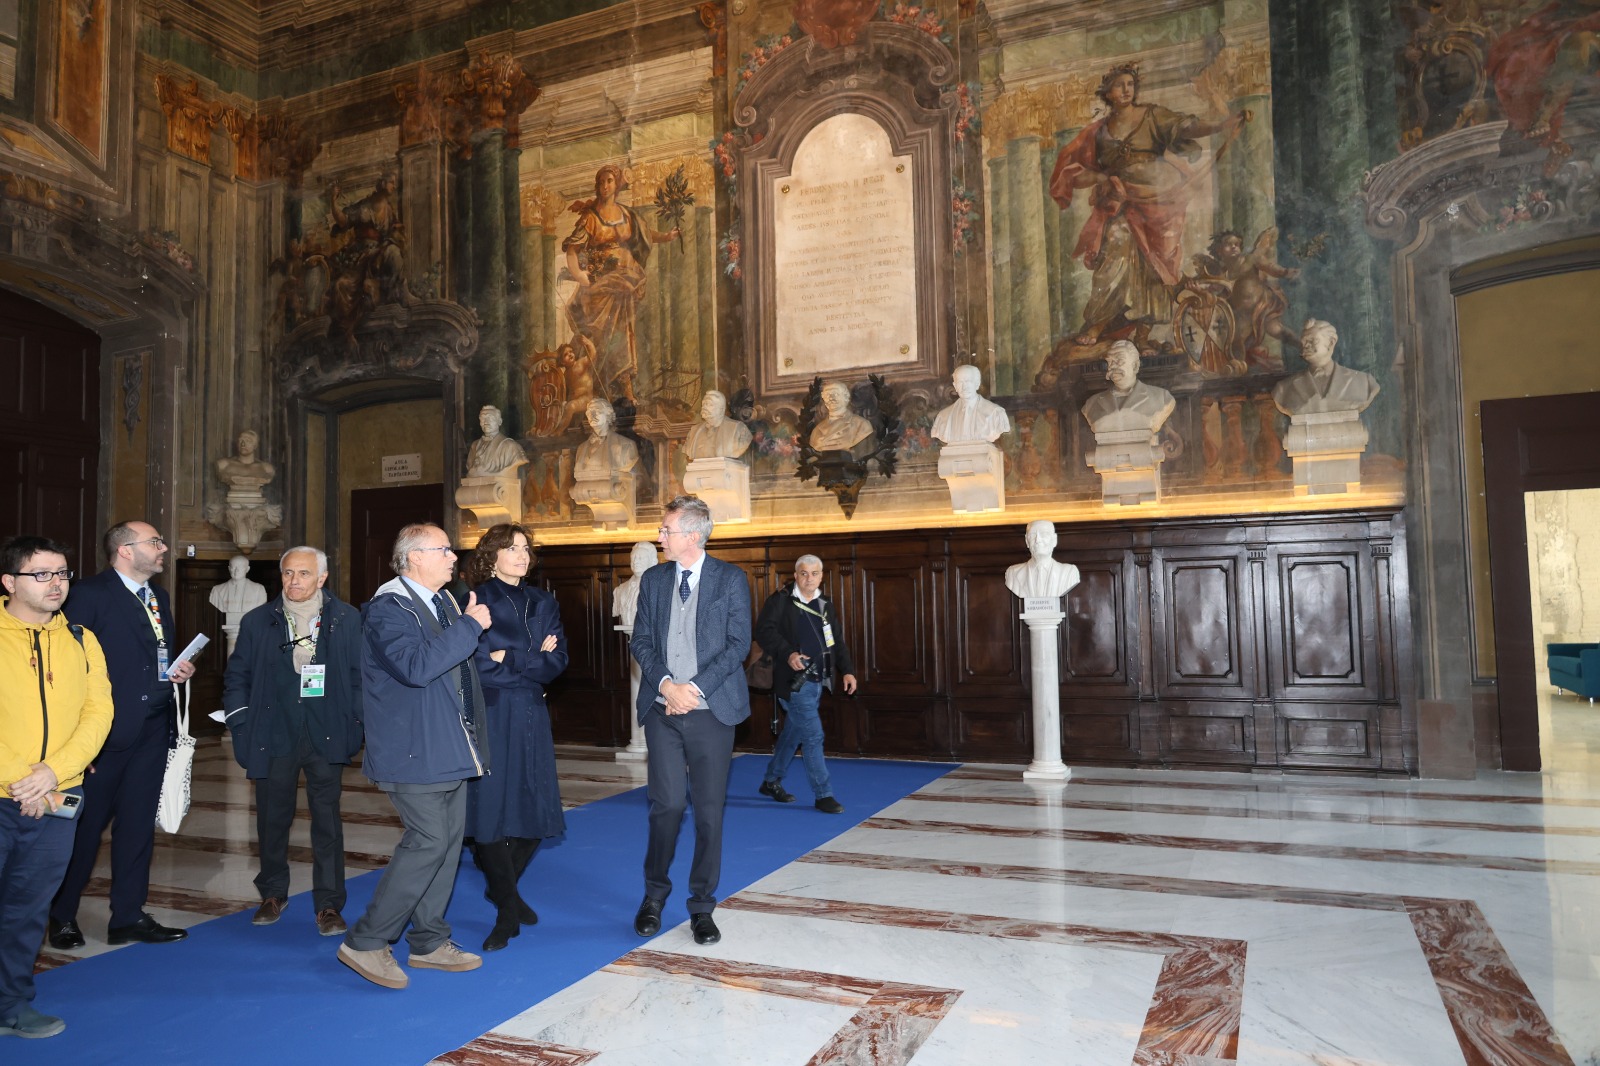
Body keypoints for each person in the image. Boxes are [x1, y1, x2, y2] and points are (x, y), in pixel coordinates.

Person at [338, 524, 492, 990]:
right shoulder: (389, 609)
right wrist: (471, 626)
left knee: (446, 846)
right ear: (414, 557)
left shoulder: (441, 601)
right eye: (444, 549)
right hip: (413, 749)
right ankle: (365, 942)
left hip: (449, 744)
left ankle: (427, 941)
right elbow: (417, 667)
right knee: (426, 842)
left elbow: (457, 668)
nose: (453, 557)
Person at [49, 522, 195, 950]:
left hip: (152, 729)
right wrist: (78, 741)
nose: (164, 547)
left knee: (136, 829)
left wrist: (177, 671)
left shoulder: (158, 596)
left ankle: (128, 915)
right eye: (155, 542)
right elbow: (69, 670)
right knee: (83, 829)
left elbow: (154, 654)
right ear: (126, 551)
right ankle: (61, 915)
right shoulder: (89, 595)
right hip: (101, 737)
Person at [1048, 63, 1250, 345]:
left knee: (1156, 264)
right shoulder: (1099, 132)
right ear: (1108, 91)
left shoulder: (1152, 115)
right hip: (1121, 202)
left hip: (1158, 201)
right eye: (1120, 85)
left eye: (1130, 84)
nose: (1127, 90)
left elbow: (1186, 127)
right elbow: (1075, 167)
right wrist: (1103, 176)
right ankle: (1097, 324)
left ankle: (1143, 333)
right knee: (1114, 254)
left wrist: (1221, 125)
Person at [1, 536, 113, 1039]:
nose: (57, 583)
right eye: (42, 574)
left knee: (27, 912)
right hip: (11, 794)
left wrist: (52, 772)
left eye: (63, 573)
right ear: (10, 582)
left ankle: (12, 1004)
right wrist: (22, 781)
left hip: (58, 797)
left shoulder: (81, 638)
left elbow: (99, 713)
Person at [221, 546, 363, 939]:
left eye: (303, 574)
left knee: (328, 824)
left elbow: (359, 677)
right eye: (287, 573)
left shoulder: (347, 619)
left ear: (322, 578)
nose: (294, 581)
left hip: (326, 734)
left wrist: (356, 721)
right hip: (274, 734)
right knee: (272, 819)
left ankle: (329, 905)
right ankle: (272, 894)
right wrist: (242, 723)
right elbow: (237, 678)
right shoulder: (257, 621)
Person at [629, 495, 751, 946]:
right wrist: (665, 685)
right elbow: (641, 639)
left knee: (709, 812)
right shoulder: (655, 579)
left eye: (666, 530)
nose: (659, 537)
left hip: (712, 712)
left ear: (693, 535)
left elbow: (737, 645)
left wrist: (693, 689)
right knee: (666, 806)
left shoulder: (730, 579)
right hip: (663, 711)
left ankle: (702, 906)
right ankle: (653, 895)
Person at [461, 524, 567, 953]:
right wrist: (531, 658)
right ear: (492, 555)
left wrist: (513, 657)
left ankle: (499, 888)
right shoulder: (474, 599)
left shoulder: (543, 601)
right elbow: (475, 664)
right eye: (512, 548)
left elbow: (557, 661)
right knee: (489, 812)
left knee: (536, 812)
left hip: (531, 713)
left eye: (526, 549)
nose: (522, 556)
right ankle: (507, 908)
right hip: (489, 713)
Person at [562, 164, 679, 406]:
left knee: (624, 334)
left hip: (625, 281)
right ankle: (600, 387)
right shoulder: (590, 218)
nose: (605, 186)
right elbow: (573, 252)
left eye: (609, 181)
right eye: (601, 182)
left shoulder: (627, 215)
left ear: (616, 184)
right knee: (603, 338)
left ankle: (626, 388)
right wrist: (580, 275)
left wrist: (666, 237)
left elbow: (646, 233)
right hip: (599, 286)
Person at [754, 555, 858, 813]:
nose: (809, 578)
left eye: (814, 573)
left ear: (821, 576)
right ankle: (824, 794)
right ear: (796, 575)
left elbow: (835, 642)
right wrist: (788, 653)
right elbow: (763, 632)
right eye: (803, 573)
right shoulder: (780, 601)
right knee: (813, 735)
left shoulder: (825, 605)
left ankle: (770, 781)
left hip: (818, 681)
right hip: (793, 683)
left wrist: (847, 671)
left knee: (794, 733)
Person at [1271, 319, 1380, 416]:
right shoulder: (1283, 389)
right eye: (1303, 341)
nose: (1306, 345)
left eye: (1312, 340)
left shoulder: (1364, 382)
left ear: (1331, 342)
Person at [1081, 341, 1177, 432]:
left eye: (1119, 360)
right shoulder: (1091, 404)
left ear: (1135, 366)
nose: (1113, 366)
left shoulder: (1161, 398)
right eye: (1110, 362)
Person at [931, 365, 1011, 444]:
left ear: (977, 383)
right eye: (960, 382)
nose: (964, 386)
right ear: (955, 386)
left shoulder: (995, 413)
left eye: (968, 381)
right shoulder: (943, 417)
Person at [1004, 521, 1082, 600]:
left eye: (1044, 534)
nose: (1037, 540)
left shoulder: (1068, 573)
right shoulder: (1013, 573)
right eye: (1032, 535)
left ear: (1054, 540)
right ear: (1027, 541)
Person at [684, 390, 753, 460]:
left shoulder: (738, 429)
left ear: (721, 409)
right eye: (704, 404)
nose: (704, 407)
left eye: (709, 404)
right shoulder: (694, 431)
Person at [465, 405, 527, 478]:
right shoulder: (474, 446)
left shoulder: (511, 446)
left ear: (499, 422)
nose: (486, 422)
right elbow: (469, 468)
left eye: (490, 418)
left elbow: (518, 468)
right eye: (483, 419)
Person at [808, 381, 873, 451]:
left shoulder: (861, 425)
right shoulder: (816, 431)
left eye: (835, 394)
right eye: (827, 395)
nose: (831, 398)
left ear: (845, 396)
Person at [208, 555, 268, 626]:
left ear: (247, 569)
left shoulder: (258, 590)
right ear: (229, 568)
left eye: (240, 567)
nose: (236, 571)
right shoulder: (217, 590)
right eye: (233, 567)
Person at [215, 430, 275, 495]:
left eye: (248, 441)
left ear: (255, 445)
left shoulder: (266, 468)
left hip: (255, 499)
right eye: (241, 440)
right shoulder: (223, 465)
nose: (243, 444)